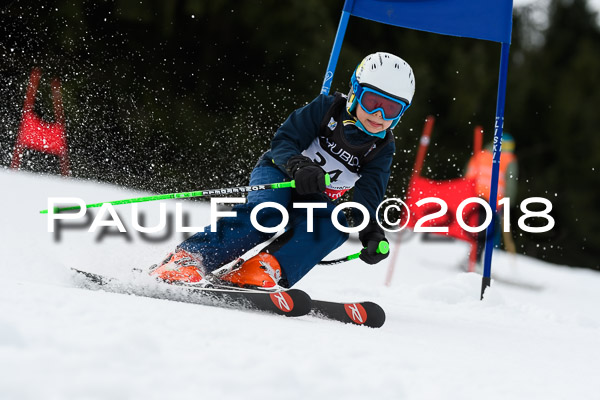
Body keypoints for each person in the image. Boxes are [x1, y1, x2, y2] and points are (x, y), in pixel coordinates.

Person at [149, 52, 416, 289]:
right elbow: (284, 141)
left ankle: (264, 267)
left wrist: (371, 232)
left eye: (392, 108)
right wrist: (298, 164)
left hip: (314, 195)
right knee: (268, 213)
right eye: (372, 102)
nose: (380, 114)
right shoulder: (326, 108)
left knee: (334, 227)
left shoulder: (382, 147)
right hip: (281, 174)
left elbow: (369, 194)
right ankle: (188, 258)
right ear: (356, 92)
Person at [465, 133, 519, 264]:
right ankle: (476, 259)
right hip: (493, 200)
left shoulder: (481, 155)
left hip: (476, 197)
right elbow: (510, 182)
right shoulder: (509, 159)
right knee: (486, 231)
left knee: (476, 227)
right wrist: (508, 201)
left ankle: (472, 257)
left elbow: (468, 174)